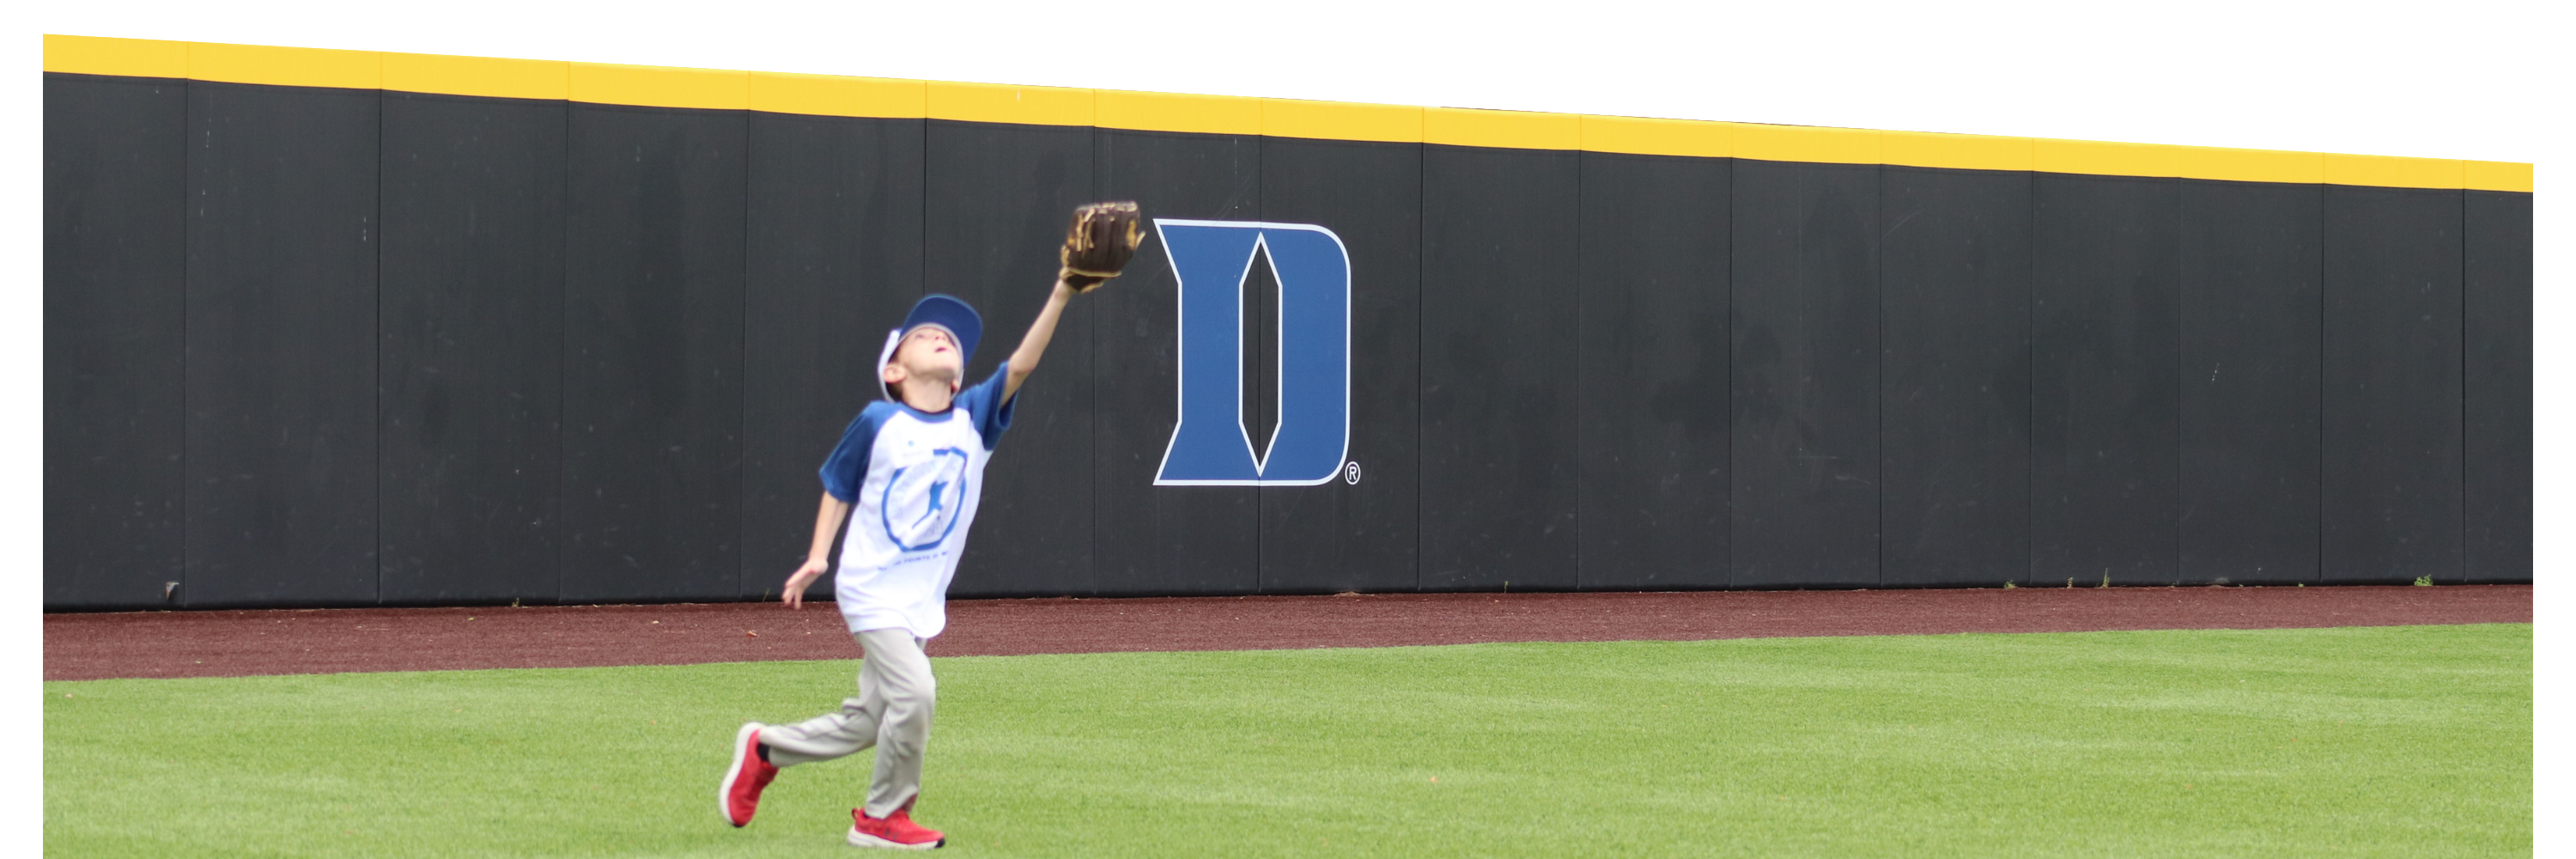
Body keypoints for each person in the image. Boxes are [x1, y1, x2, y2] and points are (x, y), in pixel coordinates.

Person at [717, 280, 1084, 850]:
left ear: (960, 378)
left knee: (868, 722)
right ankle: (882, 817)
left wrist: (1061, 294)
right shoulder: (877, 422)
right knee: (916, 694)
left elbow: (1022, 365)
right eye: (924, 335)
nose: (941, 338)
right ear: (893, 370)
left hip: (918, 601)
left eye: (950, 339)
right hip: (870, 590)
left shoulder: (973, 421)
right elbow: (838, 486)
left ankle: (765, 749)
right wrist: (819, 554)